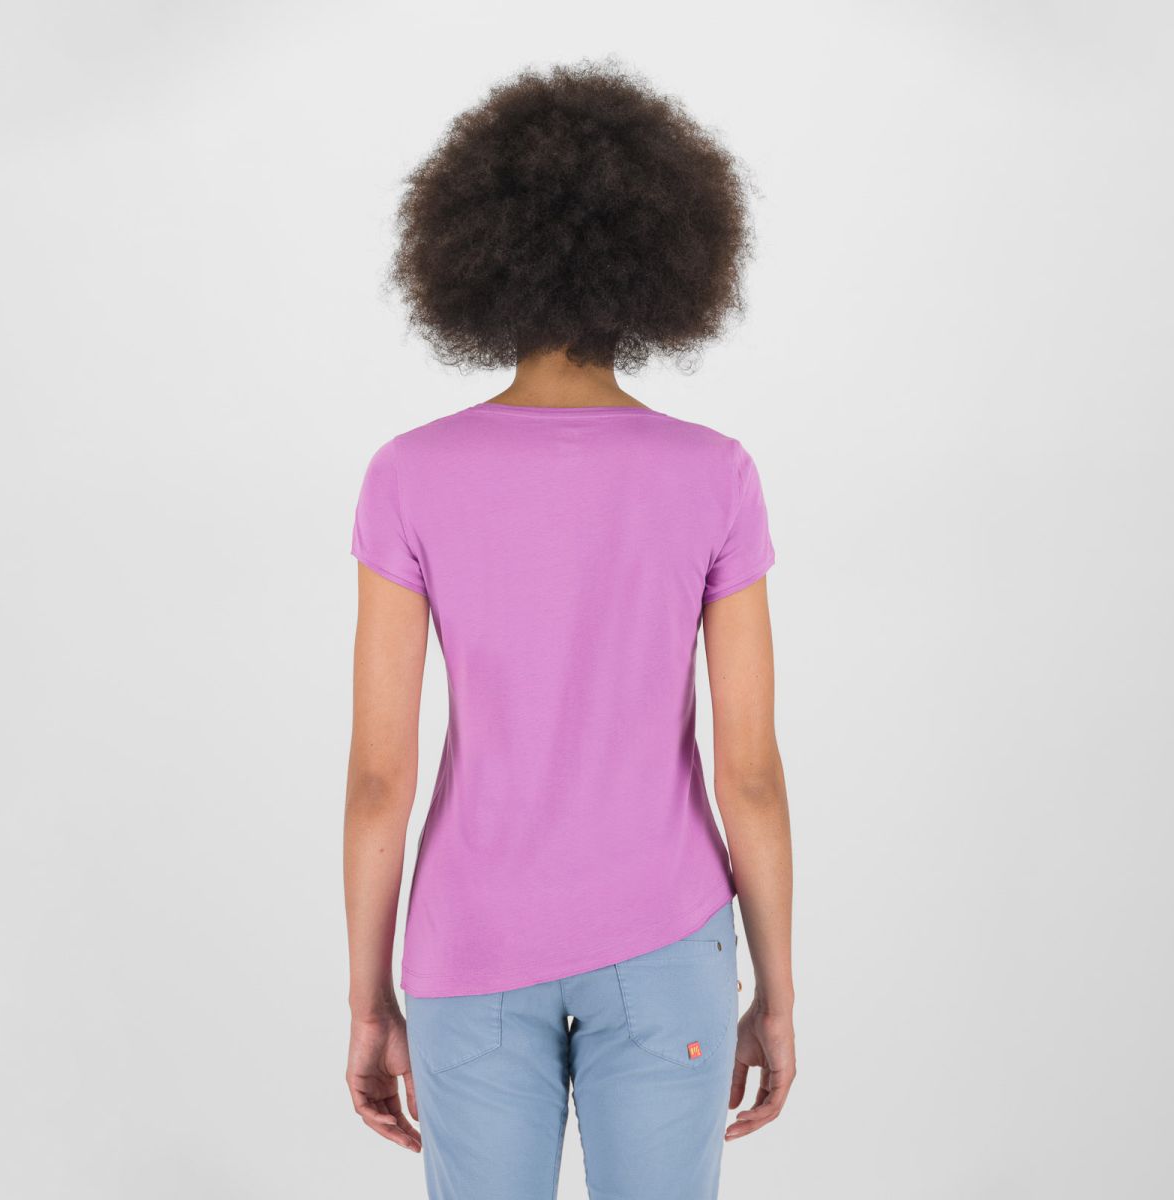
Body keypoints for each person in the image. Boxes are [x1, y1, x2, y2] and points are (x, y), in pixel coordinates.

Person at [343, 58, 795, 1200]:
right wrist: (777, 994)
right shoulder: (716, 475)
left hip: (470, 946)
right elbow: (748, 771)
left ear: (474, 253)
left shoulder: (410, 475)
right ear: (664, 256)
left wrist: (368, 999)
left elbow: (381, 778)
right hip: (670, 939)